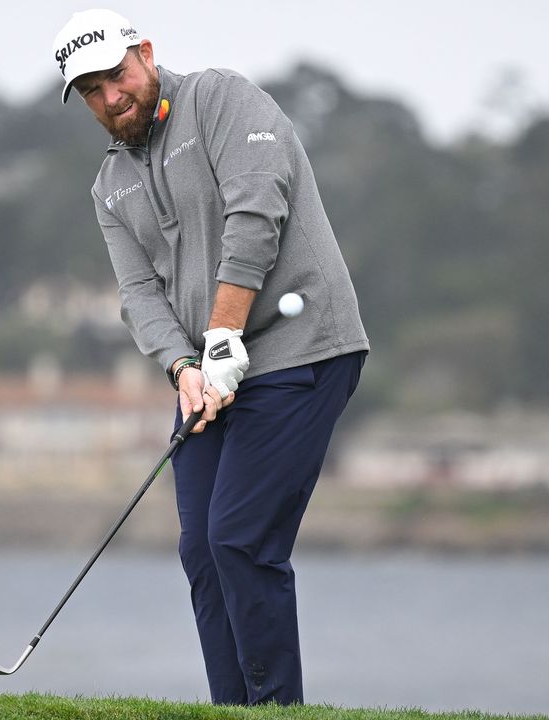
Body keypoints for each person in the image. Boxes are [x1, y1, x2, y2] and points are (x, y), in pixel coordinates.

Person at [52, 8, 369, 705]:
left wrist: (222, 335)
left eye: (117, 76)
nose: (111, 97)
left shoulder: (222, 100)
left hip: (303, 349)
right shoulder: (110, 186)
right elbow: (138, 294)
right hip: (208, 376)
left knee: (238, 537)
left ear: (146, 54)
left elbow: (257, 214)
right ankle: (234, 710)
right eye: (91, 92)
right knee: (200, 551)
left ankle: (275, 708)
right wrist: (182, 366)